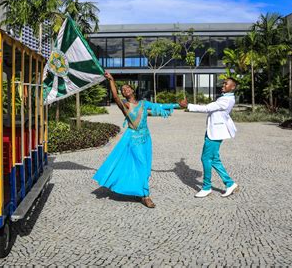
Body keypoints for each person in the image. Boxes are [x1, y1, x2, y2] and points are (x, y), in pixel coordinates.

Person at [93, 71, 179, 208]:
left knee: (145, 166)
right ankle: (146, 196)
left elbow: (159, 107)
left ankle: (139, 189)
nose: (125, 90)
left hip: (146, 139)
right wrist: (111, 80)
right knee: (142, 165)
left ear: (133, 90)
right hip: (134, 140)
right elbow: (115, 96)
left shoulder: (144, 104)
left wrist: (177, 105)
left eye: (127, 88)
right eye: (123, 90)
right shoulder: (125, 106)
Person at [179, 77, 239, 198]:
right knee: (214, 159)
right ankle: (230, 183)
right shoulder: (225, 98)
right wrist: (181, 162)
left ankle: (206, 187)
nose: (223, 85)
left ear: (232, 87)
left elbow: (207, 108)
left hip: (216, 133)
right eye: (223, 83)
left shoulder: (226, 100)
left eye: (226, 84)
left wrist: (188, 105)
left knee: (205, 158)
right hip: (213, 131)